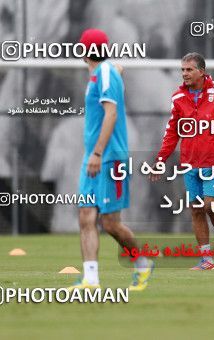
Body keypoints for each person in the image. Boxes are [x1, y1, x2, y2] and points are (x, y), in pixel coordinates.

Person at [70, 28, 154, 291]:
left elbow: (111, 115)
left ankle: (142, 264)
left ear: (84, 51)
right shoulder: (103, 73)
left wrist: (97, 153)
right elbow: (114, 73)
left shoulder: (104, 72)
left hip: (108, 158)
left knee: (110, 223)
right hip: (93, 158)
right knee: (86, 216)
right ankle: (91, 279)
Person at [151, 52, 214, 270]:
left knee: (211, 206)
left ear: (201, 72)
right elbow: (172, 132)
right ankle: (206, 260)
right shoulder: (178, 97)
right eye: (182, 70)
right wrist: (160, 160)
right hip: (189, 163)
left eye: (189, 70)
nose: (184, 74)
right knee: (196, 209)